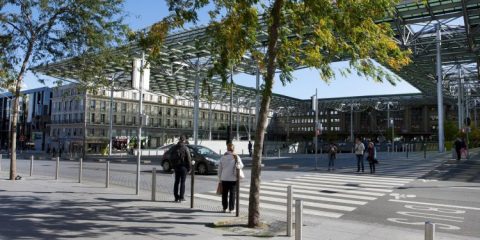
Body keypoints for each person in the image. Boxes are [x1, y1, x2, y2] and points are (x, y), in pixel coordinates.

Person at [218, 143, 244, 213]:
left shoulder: (223, 157)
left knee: (224, 194)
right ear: (233, 149)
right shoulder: (236, 157)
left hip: (224, 178)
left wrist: (219, 179)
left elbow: (219, 169)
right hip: (233, 178)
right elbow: (241, 166)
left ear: (227, 149)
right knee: (232, 194)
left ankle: (224, 208)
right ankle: (231, 209)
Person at [171, 135, 192, 202]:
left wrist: (173, 167)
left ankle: (176, 197)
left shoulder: (174, 148)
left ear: (179, 140)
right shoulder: (185, 148)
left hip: (176, 167)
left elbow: (171, 158)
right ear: (184, 140)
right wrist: (190, 168)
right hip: (183, 167)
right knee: (182, 182)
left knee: (176, 182)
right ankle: (181, 197)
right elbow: (189, 159)